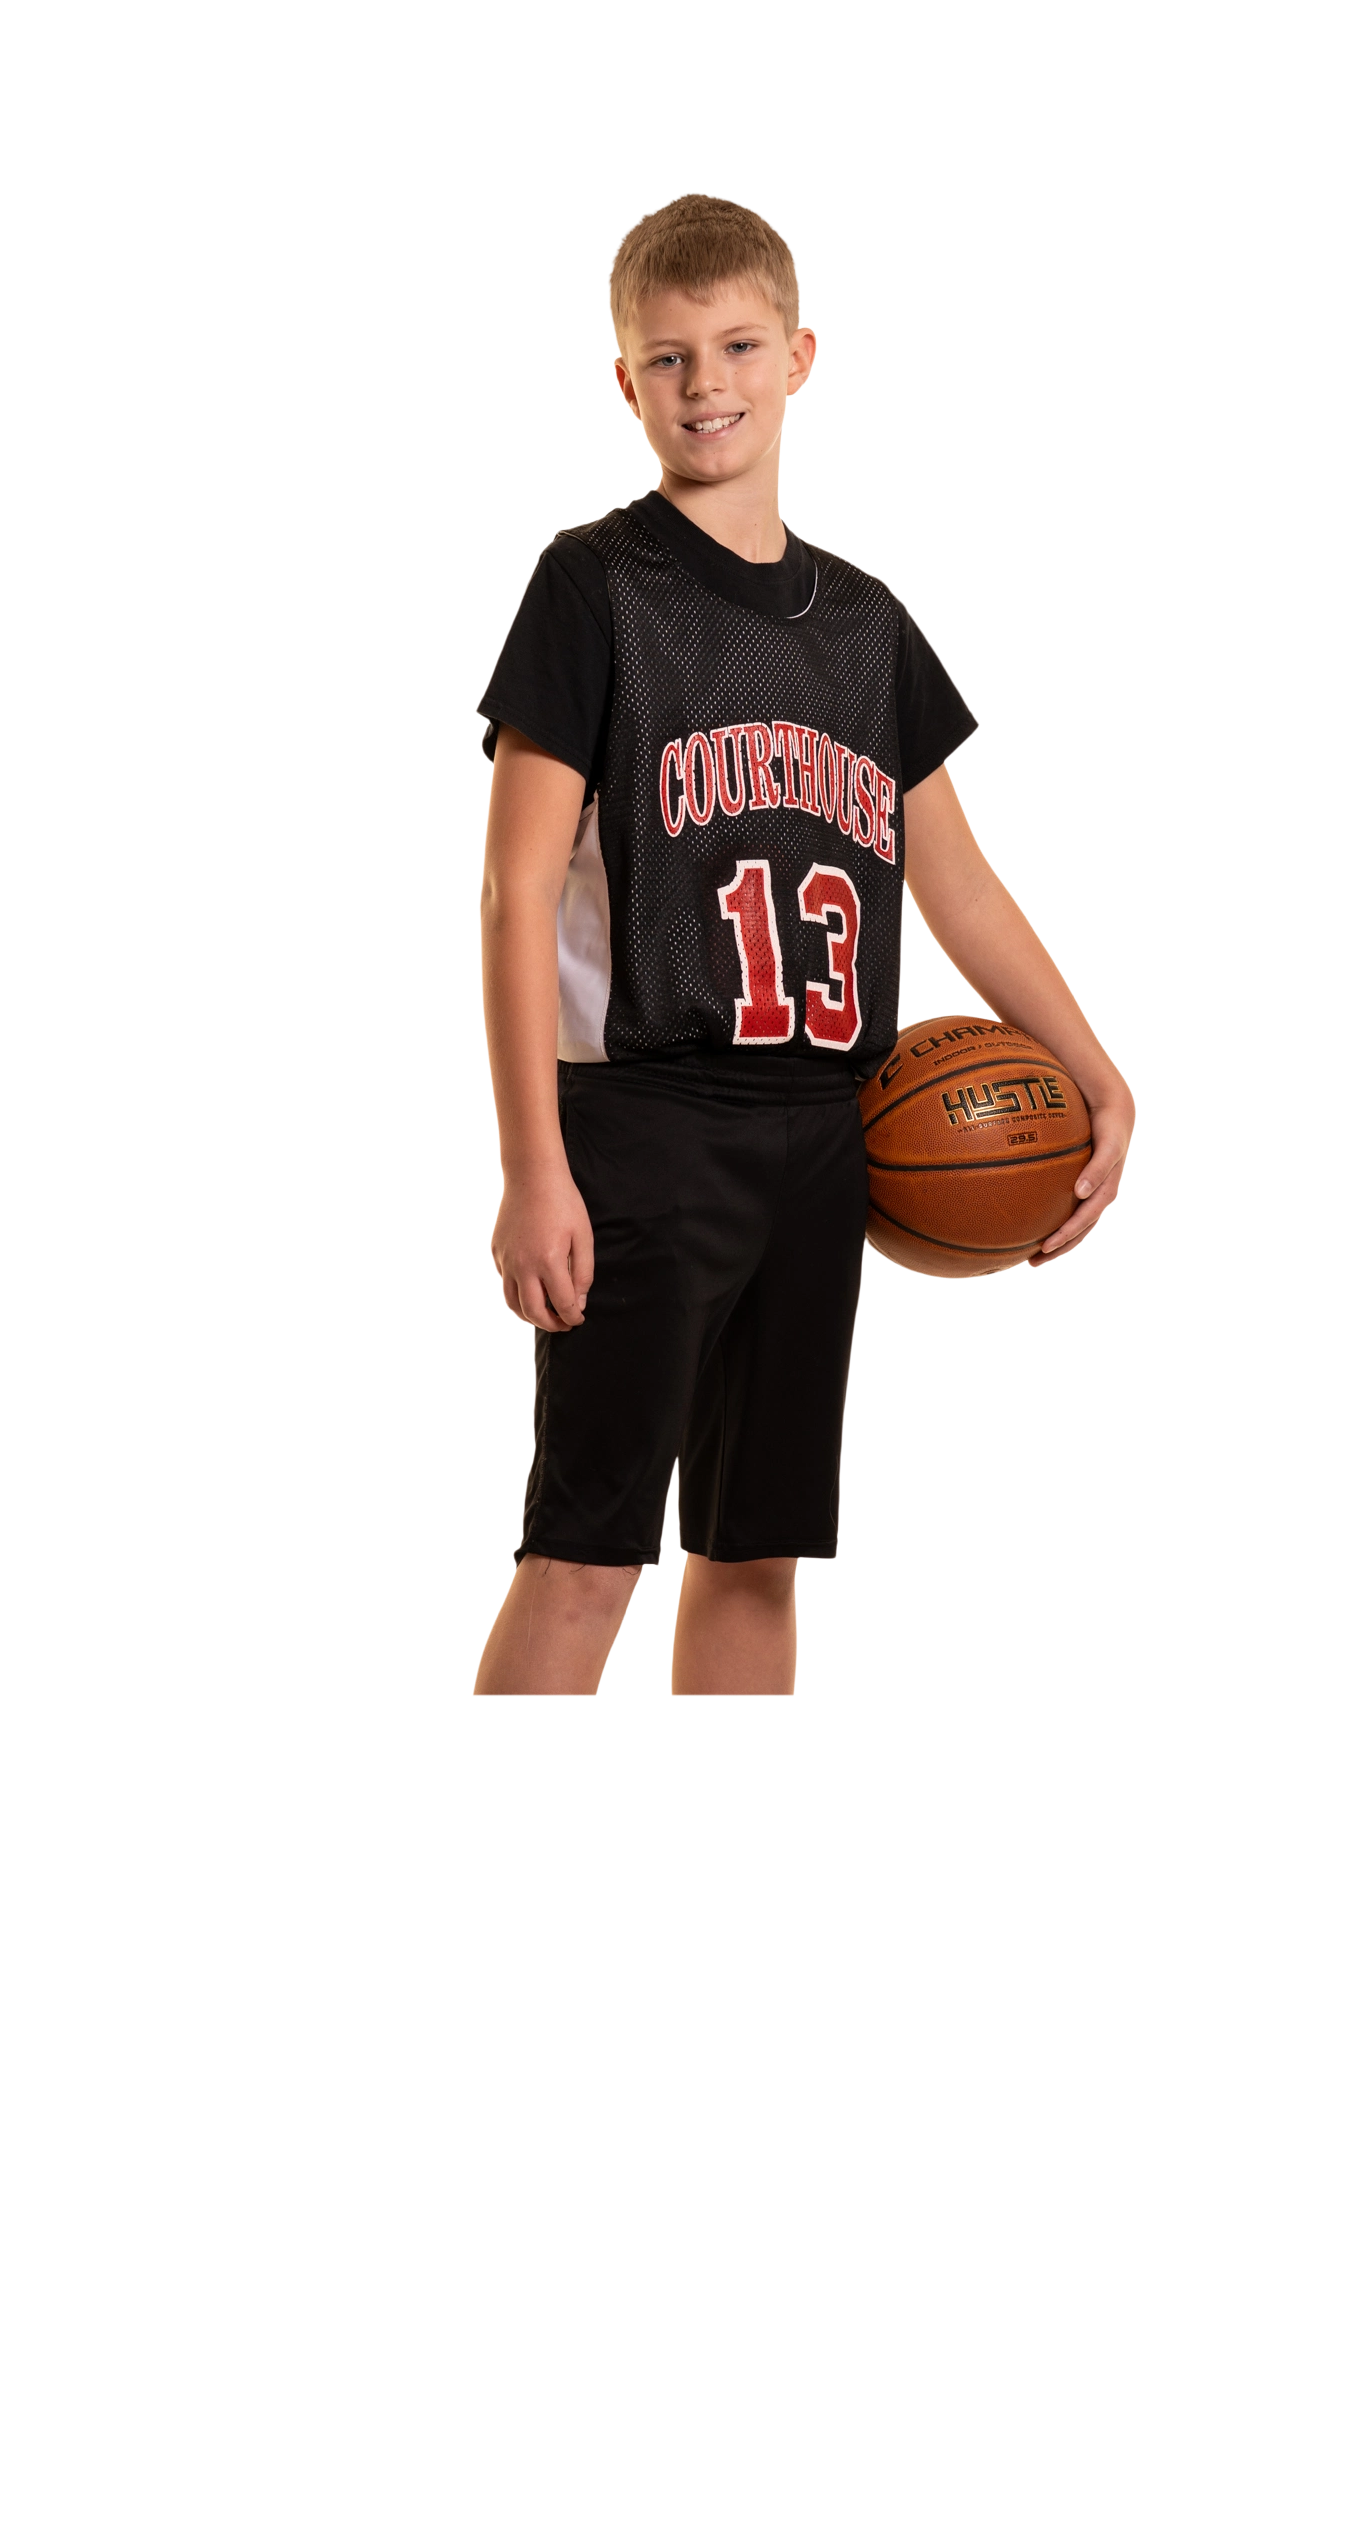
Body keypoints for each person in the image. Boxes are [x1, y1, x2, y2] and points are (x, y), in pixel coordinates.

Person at [473, 194, 1134, 1697]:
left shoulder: (868, 625)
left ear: (800, 357)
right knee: (584, 1556)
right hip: (642, 1126)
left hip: (826, 1134)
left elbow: (962, 888)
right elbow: (515, 891)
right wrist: (533, 1164)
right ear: (626, 382)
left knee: (754, 1555)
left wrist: (1098, 1071)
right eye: (668, 356)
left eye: (738, 346)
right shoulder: (594, 585)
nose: (706, 382)